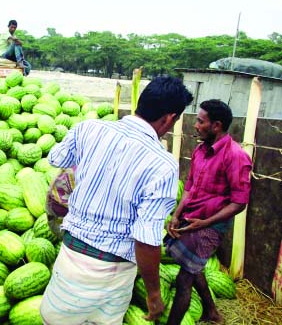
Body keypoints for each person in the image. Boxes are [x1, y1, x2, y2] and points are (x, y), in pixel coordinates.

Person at [40, 76, 193, 324]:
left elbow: (57, 158)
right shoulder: (163, 165)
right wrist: (154, 293)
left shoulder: (88, 128)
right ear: (168, 118)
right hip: (116, 273)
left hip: (72, 259)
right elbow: (146, 238)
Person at [164, 100, 252, 325]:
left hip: (210, 226)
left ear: (216, 125)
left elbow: (239, 203)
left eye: (201, 121)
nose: (195, 125)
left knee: (185, 278)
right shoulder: (200, 151)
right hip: (191, 217)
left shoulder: (236, 156)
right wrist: (177, 214)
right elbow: (190, 186)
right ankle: (211, 312)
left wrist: (204, 223)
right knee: (192, 265)